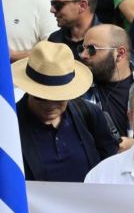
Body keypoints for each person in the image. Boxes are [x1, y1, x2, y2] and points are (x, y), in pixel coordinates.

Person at [12, 41, 118, 182]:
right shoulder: (10, 125)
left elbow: (110, 167)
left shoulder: (90, 115)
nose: (50, 105)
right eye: (41, 97)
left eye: (58, 97)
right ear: (29, 90)